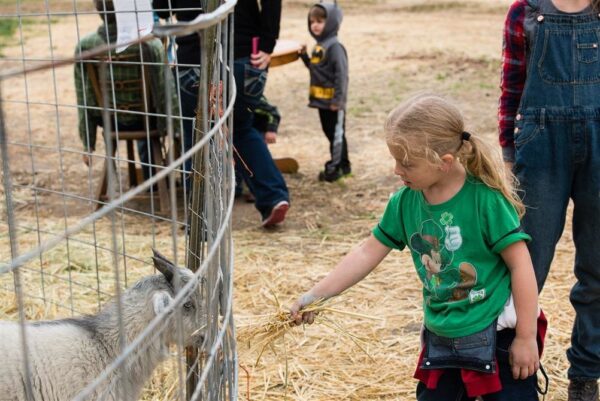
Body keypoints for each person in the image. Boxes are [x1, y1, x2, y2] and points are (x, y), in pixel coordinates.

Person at [291, 94, 544, 400]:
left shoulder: (486, 199)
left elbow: (521, 265)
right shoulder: (404, 203)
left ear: (444, 163)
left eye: (407, 163)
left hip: (497, 331)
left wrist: (526, 337)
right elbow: (367, 252)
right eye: (395, 160)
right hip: (443, 333)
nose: (397, 170)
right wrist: (316, 295)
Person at [498, 1, 600, 399]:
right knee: (525, 262)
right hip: (540, 148)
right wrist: (508, 153)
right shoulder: (524, 11)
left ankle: (586, 374)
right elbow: (511, 85)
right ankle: (512, 371)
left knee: (596, 269)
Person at [75, 0, 178, 181]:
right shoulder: (150, 45)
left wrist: (88, 142)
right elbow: (165, 92)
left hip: (110, 121)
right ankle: (157, 176)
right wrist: (175, 131)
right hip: (146, 120)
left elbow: (84, 97)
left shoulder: (85, 47)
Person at [233, 0, 290, 227]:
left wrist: (267, 44)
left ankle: (201, 213)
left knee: (220, 129)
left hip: (238, 52)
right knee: (240, 130)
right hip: (242, 53)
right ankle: (272, 196)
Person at [152, 0, 203, 194]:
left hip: (188, 60)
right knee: (226, 126)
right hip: (223, 54)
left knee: (191, 134)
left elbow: (163, 10)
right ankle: (233, 186)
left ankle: (193, 199)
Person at [299, 2, 350, 182]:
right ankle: (343, 163)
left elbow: (341, 76)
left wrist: (338, 100)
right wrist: (305, 56)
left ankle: (337, 167)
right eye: (312, 21)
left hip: (333, 103)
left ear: (331, 22)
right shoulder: (320, 46)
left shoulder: (334, 47)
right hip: (322, 102)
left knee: (336, 135)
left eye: (320, 21)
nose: (315, 25)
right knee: (330, 133)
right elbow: (316, 70)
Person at [236, 95, 281, 202]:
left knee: (255, 162)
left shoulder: (255, 100)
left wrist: (271, 130)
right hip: (239, 133)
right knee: (236, 161)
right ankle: (236, 188)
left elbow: (273, 113)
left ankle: (256, 191)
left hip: (257, 133)